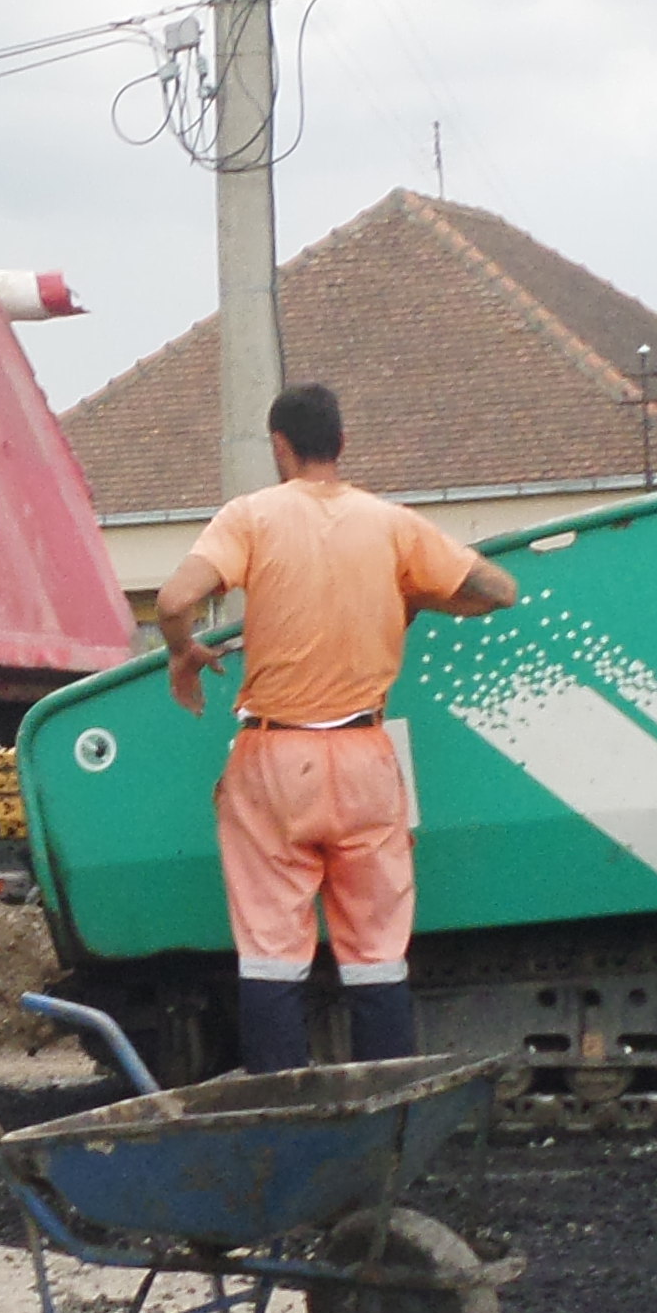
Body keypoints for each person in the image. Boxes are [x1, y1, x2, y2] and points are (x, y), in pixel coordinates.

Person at [152, 383, 519, 1077]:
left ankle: (286, 1119)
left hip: (275, 756)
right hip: (365, 757)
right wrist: (415, 597)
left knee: (270, 950)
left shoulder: (252, 516)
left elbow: (175, 599)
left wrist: (184, 653)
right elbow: (499, 590)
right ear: (341, 445)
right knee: (377, 953)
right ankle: (389, 1119)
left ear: (280, 447)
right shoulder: (392, 525)